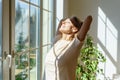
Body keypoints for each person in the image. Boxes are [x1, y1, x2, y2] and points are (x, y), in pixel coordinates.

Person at [44, 15, 93, 80]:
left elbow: (89, 18)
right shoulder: (57, 40)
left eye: (68, 22)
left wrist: (79, 24)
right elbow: (61, 20)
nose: (63, 23)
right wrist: (69, 21)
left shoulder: (74, 45)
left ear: (74, 29)